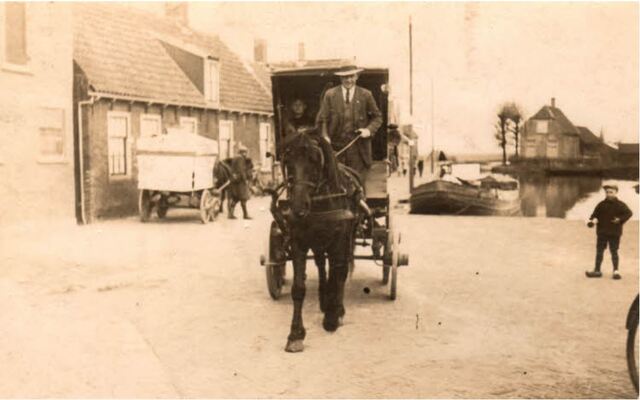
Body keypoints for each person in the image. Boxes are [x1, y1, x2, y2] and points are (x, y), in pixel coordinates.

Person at [316, 65, 383, 180]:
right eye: (345, 77)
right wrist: (325, 137)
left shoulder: (366, 95)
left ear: (356, 76)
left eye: (351, 76)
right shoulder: (330, 95)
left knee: (357, 184)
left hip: (358, 148)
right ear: (340, 78)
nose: (348, 80)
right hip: (335, 148)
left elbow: (378, 117)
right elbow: (322, 119)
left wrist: (368, 130)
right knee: (335, 182)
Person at [585, 182, 633, 279]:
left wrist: (619, 219)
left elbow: (629, 213)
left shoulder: (621, 205)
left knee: (614, 251)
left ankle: (616, 271)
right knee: (599, 251)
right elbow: (594, 215)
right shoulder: (601, 205)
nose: (608, 194)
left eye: (611, 192)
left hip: (614, 232)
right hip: (602, 232)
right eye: (607, 192)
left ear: (616, 192)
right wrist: (592, 221)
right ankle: (597, 270)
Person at [228, 144, 253, 220]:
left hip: (235, 181)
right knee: (243, 198)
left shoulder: (235, 158)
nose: (246, 154)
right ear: (242, 152)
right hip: (240, 182)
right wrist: (245, 179)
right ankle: (245, 215)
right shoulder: (240, 159)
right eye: (245, 152)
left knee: (236, 198)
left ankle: (231, 214)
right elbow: (241, 170)